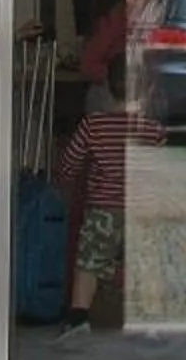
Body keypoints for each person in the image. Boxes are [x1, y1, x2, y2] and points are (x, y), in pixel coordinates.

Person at [52, 53, 165, 344]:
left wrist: (62, 182)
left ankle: (78, 318)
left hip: (102, 209)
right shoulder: (152, 129)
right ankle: (151, 321)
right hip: (142, 209)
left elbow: (69, 163)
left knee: (89, 263)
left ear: (106, 86)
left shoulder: (94, 125)